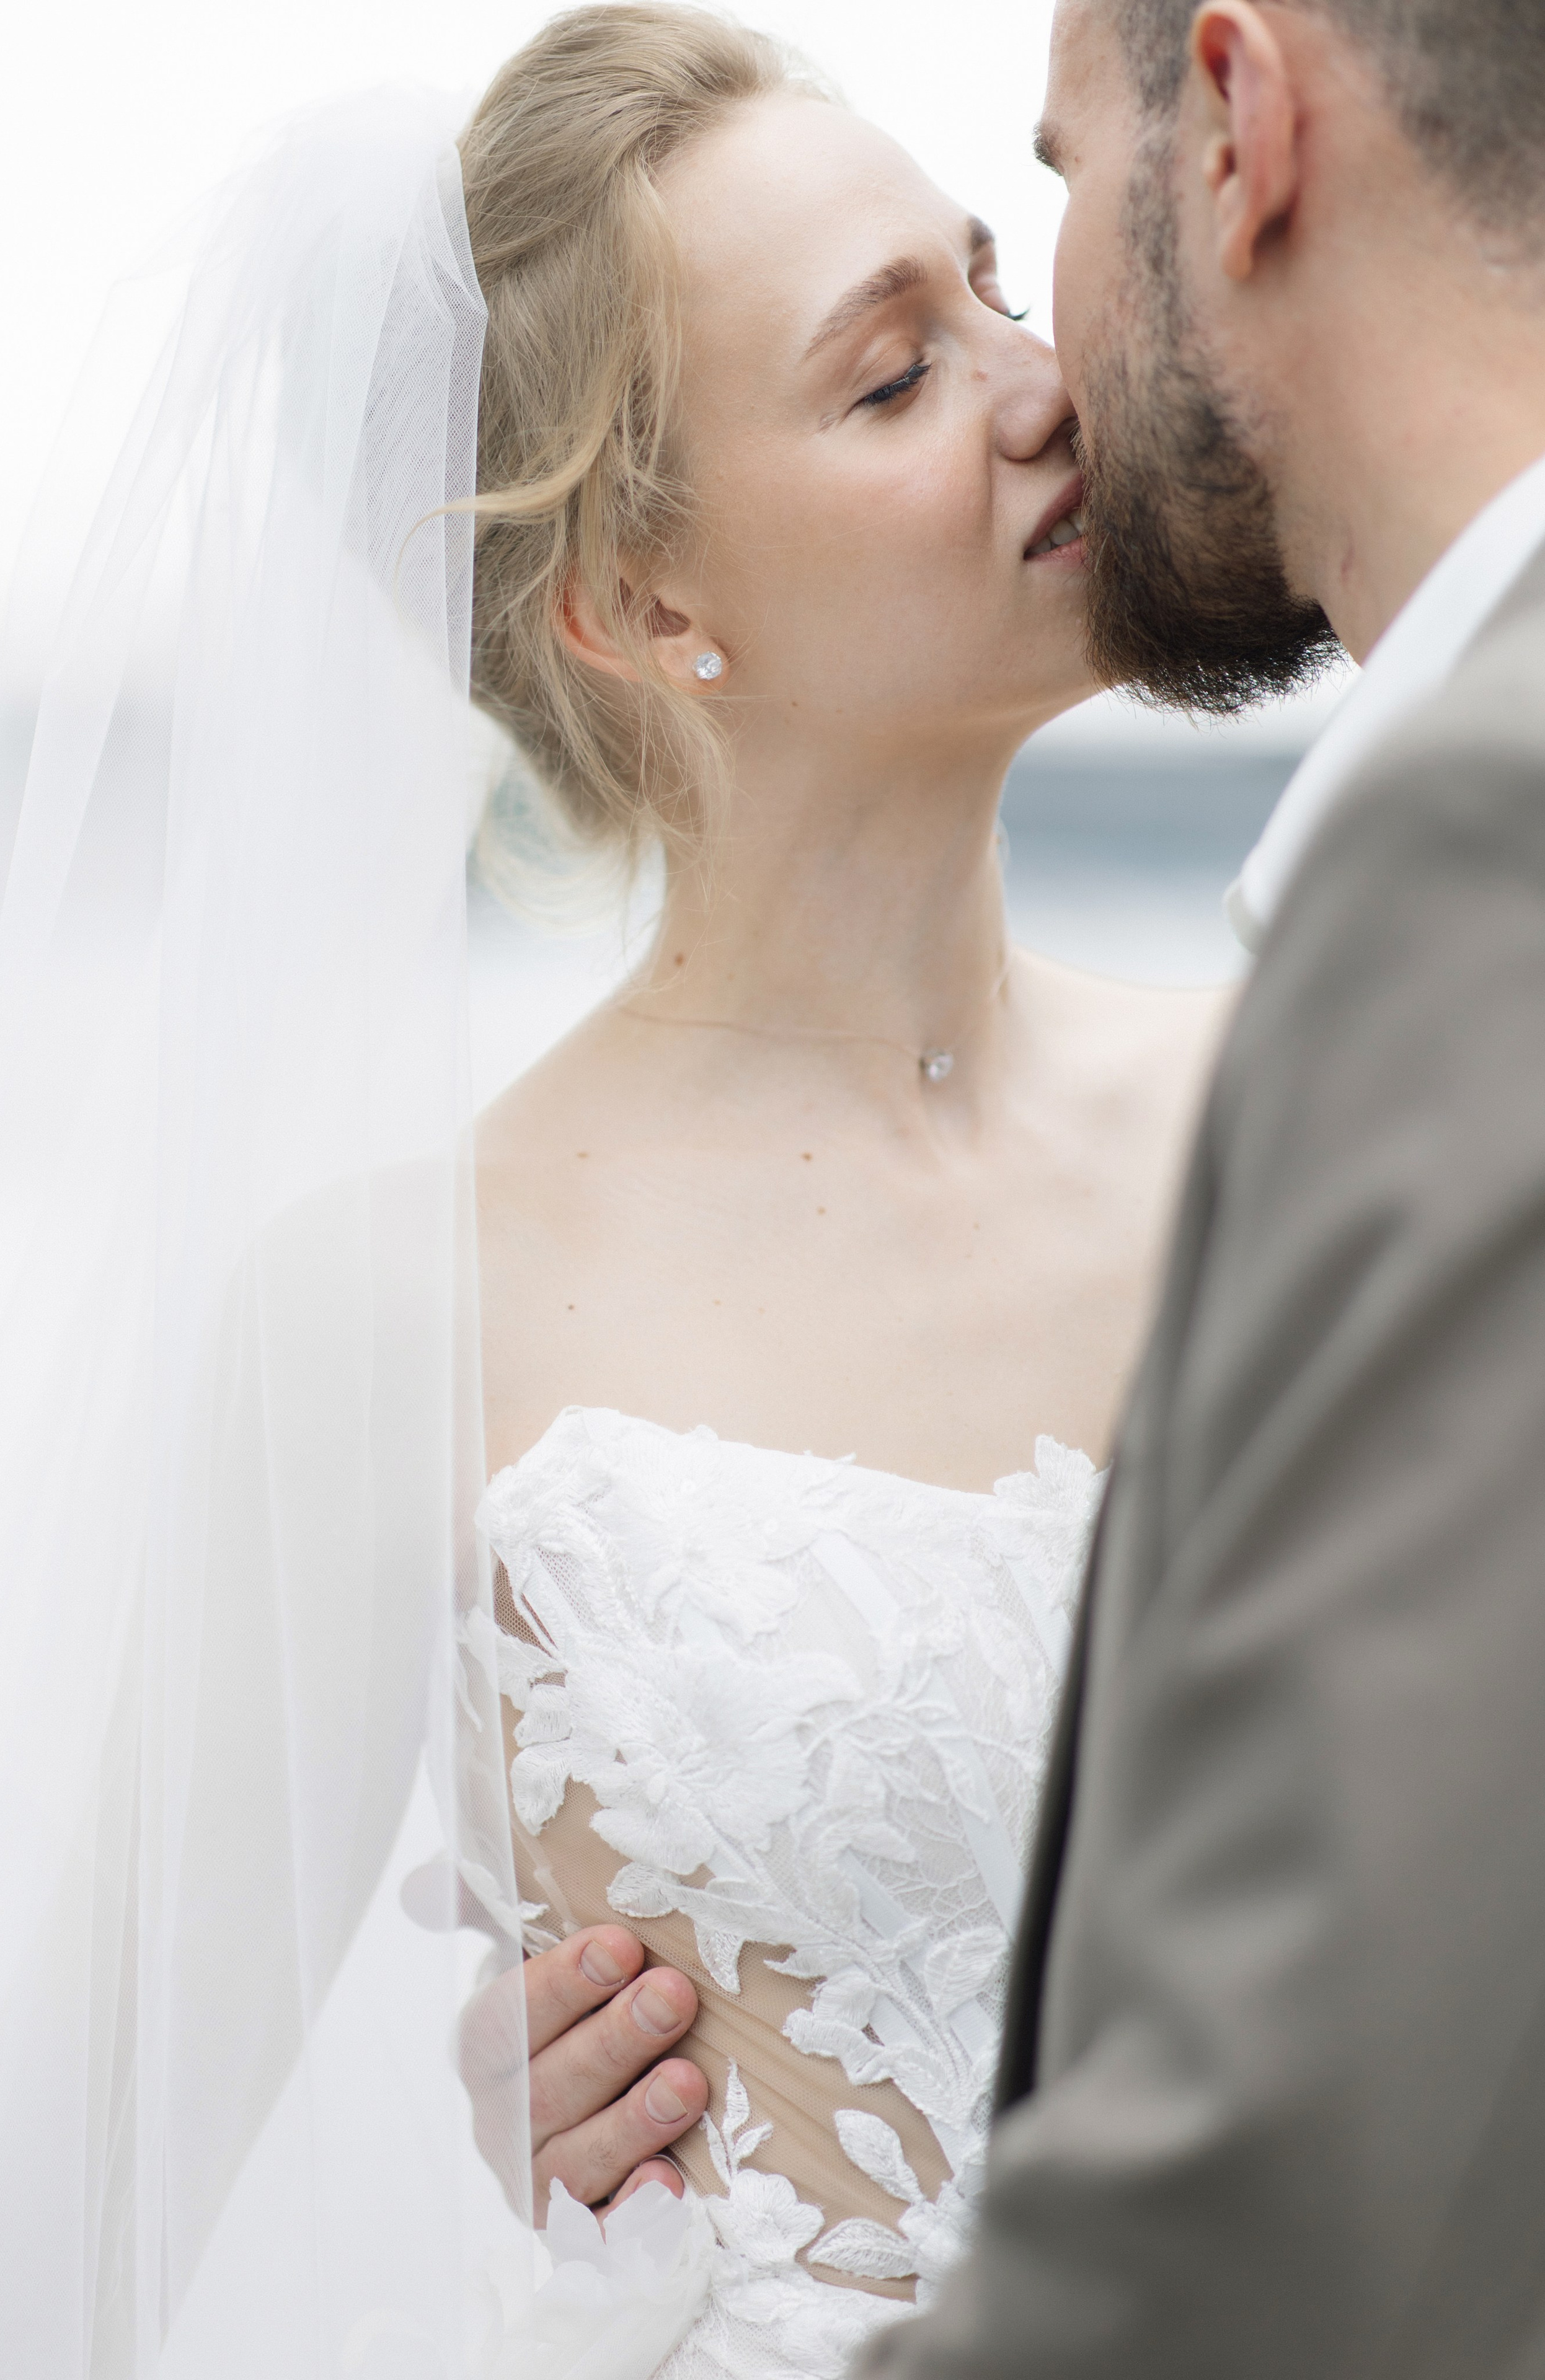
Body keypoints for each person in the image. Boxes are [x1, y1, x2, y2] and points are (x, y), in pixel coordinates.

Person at [443, 11, 1257, 2371]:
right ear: (638, 602)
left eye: (997, 284)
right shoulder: (411, 1297)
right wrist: (412, 2179)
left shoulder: (1290, 1104)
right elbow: (115, 2149)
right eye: (894, 377)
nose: (1044, 384)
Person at [841, 1, 1545, 2371]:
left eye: (1046, 191)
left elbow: (1281, 2219)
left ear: (1238, 128)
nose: (1045, 368)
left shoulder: (1483, 852)